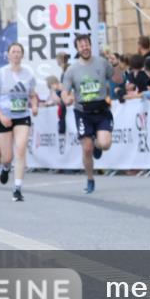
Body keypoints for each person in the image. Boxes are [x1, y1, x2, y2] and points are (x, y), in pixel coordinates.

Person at [61, 34, 115, 194]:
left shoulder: (102, 63)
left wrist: (117, 65)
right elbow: (65, 92)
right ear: (77, 49)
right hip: (83, 112)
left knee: (105, 144)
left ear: (91, 46)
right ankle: (90, 179)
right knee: (86, 149)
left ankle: (97, 144)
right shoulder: (72, 70)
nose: (84, 48)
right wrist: (67, 99)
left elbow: (117, 79)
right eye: (81, 46)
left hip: (102, 110)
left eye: (87, 45)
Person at [0, 43, 38, 201]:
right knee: (7, 157)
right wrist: (1, 116)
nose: (16, 54)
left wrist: (35, 105)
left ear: (22, 55)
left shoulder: (29, 73)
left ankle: (17, 188)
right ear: (8, 55)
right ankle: (5, 167)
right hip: (4, 118)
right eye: (13, 52)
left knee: (21, 149)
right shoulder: (0, 74)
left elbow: (32, 94)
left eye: (19, 52)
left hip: (22, 116)